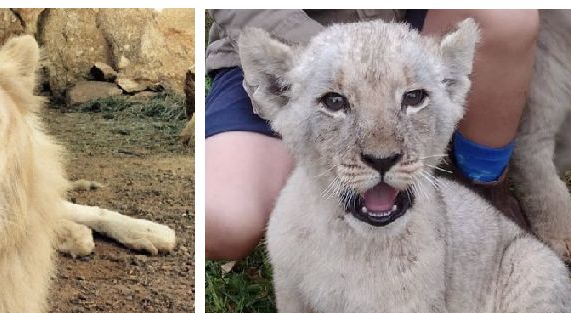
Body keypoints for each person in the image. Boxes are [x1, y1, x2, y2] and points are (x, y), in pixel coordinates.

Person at [205, 9, 540, 260]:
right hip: (286, 44)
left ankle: (481, 190)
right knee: (222, 220)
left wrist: (395, 54)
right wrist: (330, 60)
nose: (381, 151)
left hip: (404, 32)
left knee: (506, 14)